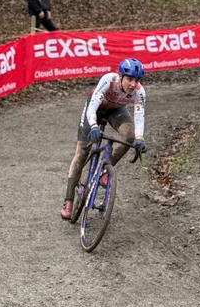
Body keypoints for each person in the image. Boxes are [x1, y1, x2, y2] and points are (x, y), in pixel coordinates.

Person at [60, 58, 147, 220]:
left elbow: (139, 115)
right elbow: (92, 106)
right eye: (129, 79)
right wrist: (93, 125)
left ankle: (105, 172)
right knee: (82, 152)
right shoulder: (109, 80)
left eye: (137, 80)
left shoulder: (139, 92)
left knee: (129, 136)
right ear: (120, 76)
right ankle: (69, 199)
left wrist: (139, 138)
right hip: (95, 110)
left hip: (116, 111)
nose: (133, 84)